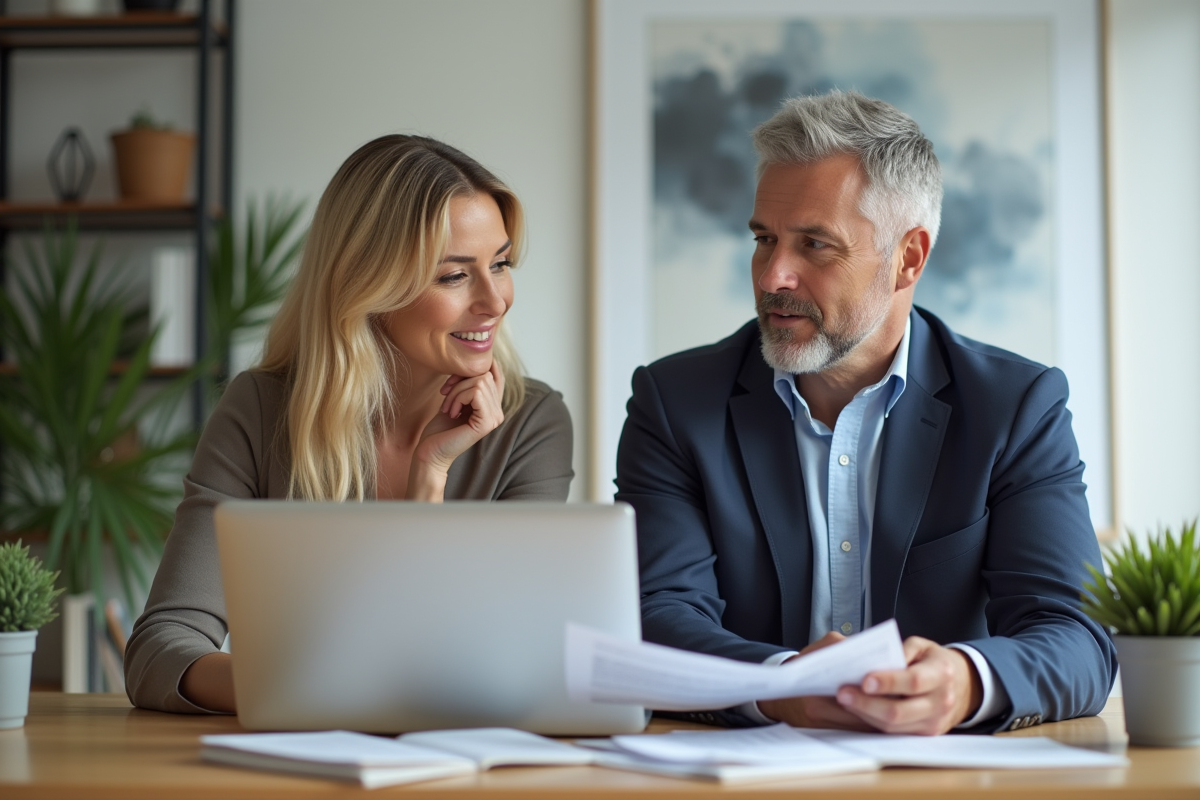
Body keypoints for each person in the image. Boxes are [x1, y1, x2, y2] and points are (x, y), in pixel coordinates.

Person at [616, 91, 1115, 735]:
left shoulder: (1016, 407)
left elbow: (1075, 637)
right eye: (764, 239)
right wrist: (779, 684)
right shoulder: (676, 402)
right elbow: (654, 616)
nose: (773, 276)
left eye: (815, 245)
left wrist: (964, 683)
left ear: (908, 257)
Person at [125, 135, 574, 714]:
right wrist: (315, 689)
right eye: (453, 276)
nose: (496, 300)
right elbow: (160, 652)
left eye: (501, 264)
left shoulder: (530, 423)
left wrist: (429, 478)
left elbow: (499, 658)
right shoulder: (259, 411)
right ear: (369, 285)